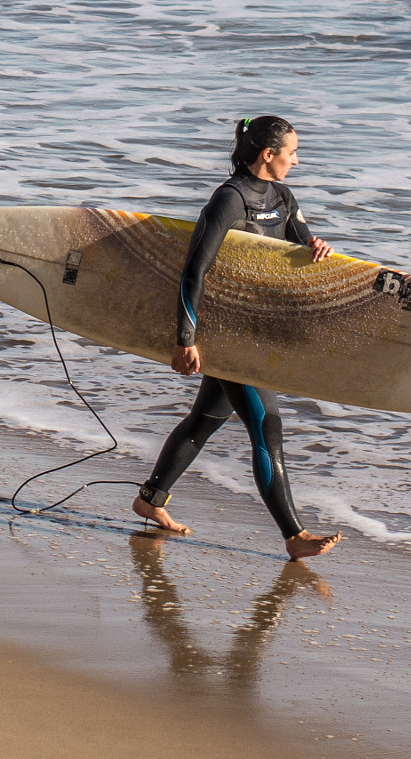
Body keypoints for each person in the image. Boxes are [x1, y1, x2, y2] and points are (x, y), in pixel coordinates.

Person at [132, 114, 342, 561]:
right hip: (221, 332)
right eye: (293, 152)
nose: (297, 161)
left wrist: (315, 248)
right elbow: (194, 270)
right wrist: (185, 338)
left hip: (254, 328)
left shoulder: (282, 197)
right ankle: (294, 535)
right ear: (269, 154)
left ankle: (150, 500)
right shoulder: (227, 201)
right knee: (267, 427)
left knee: (204, 422)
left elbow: (299, 241)